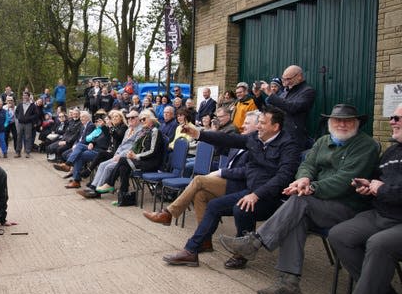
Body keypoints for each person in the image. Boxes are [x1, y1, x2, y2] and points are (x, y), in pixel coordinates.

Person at [219, 104, 380, 294]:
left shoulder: (366, 145)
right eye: (337, 120)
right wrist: (303, 179)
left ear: (357, 123)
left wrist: (312, 188)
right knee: (295, 219)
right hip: (317, 204)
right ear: (330, 122)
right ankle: (289, 284)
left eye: (348, 121)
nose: (342, 124)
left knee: (300, 202)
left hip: (347, 207)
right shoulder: (323, 141)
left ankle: (255, 242)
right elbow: (307, 165)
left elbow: (346, 180)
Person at [161, 107, 300, 267]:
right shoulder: (255, 138)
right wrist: (199, 134)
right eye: (259, 122)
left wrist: (256, 195)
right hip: (250, 191)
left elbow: (283, 177)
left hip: (270, 197)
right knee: (214, 205)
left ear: (275, 127)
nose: (259, 126)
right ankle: (191, 251)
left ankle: (241, 254)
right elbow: (228, 139)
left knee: (241, 209)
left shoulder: (289, 146)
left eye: (262, 123)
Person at [329, 103, 402, 294]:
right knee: (339, 234)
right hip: (381, 214)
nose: (392, 121)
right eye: (392, 117)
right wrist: (367, 185)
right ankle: (382, 292)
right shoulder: (392, 151)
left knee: (379, 244)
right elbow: (377, 179)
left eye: (398, 118)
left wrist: (380, 189)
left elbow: (389, 189)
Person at [143, 111, 260, 244]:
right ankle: (204, 241)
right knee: (200, 195)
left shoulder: (258, 145)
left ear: (258, 127)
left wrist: (221, 172)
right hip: (227, 182)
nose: (243, 125)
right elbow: (221, 150)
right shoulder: (241, 141)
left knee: (198, 179)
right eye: (244, 122)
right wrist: (213, 132)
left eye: (247, 123)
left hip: (240, 186)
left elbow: (247, 171)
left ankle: (168, 213)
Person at [95, 109, 165, 206]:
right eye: (140, 120)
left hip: (151, 162)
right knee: (123, 167)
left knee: (123, 160)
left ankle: (110, 183)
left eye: (143, 119)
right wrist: (132, 153)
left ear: (151, 119)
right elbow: (138, 147)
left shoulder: (155, 131)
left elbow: (153, 151)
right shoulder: (144, 131)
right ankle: (124, 198)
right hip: (142, 160)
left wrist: (136, 156)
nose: (142, 122)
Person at [78, 110, 141, 199]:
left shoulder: (137, 130)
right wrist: (117, 153)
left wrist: (120, 155)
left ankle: (96, 191)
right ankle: (93, 186)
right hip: (117, 154)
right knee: (102, 164)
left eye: (133, 117)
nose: (130, 119)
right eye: (129, 117)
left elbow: (133, 147)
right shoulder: (129, 130)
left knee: (107, 166)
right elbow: (121, 144)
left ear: (138, 119)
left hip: (127, 157)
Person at [262, 65, 315, 149]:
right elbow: (275, 108)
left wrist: (271, 95)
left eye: (288, 79)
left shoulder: (308, 91)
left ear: (299, 76)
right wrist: (257, 97)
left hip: (294, 138)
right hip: (280, 135)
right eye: (283, 79)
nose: (285, 82)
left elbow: (292, 107)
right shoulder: (286, 91)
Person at [14, 91, 39, 158]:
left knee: (28, 138)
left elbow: (36, 114)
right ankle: (18, 152)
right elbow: (16, 112)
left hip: (28, 124)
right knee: (19, 137)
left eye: (26, 95)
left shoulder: (32, 105)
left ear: (28, 96)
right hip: (20, 123)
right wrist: (18, 117)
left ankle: (27, 152)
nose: (24, 97)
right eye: (23, 95)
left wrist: (29, 118)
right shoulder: (20, 104)